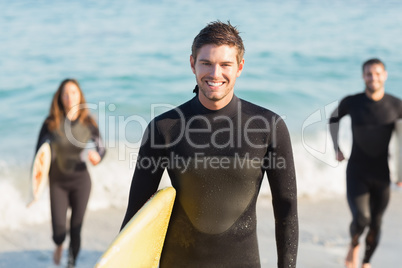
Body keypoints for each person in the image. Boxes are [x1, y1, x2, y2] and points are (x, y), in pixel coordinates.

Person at [121, 21, 298, 267]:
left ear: (240, 67)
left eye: (225, 64)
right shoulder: (164, 128)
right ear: (192, 63)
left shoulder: (267, 127)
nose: (215, 74)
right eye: (206, 63)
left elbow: (287, 209)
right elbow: (136, 213)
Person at [329, 59, 402, 268]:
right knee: (362, 219)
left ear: (385, 75)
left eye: (377, 73)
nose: (373, 78)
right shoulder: (353, 102)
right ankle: (353, 244)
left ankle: (366, 263)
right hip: (357, 172)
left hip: (382, 174)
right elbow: (333, 119)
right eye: (369, 74)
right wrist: (337, 148)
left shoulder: (396, 105)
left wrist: (401, 173)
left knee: (376, 224)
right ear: (363, 77)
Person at [34, 79, 106, 268]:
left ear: (79, 95)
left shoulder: (88, 122)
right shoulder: (50, 123)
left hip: (81, 182)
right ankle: (58, 246)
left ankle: (71, 264)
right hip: (57, 183)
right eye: (66, 93)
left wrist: (97, 156)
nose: (70, 97)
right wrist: (35, 186)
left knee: (76, 228)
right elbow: (38, 157)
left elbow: (102, 148)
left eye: (73, 93)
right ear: (60, 97)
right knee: (59, 232)